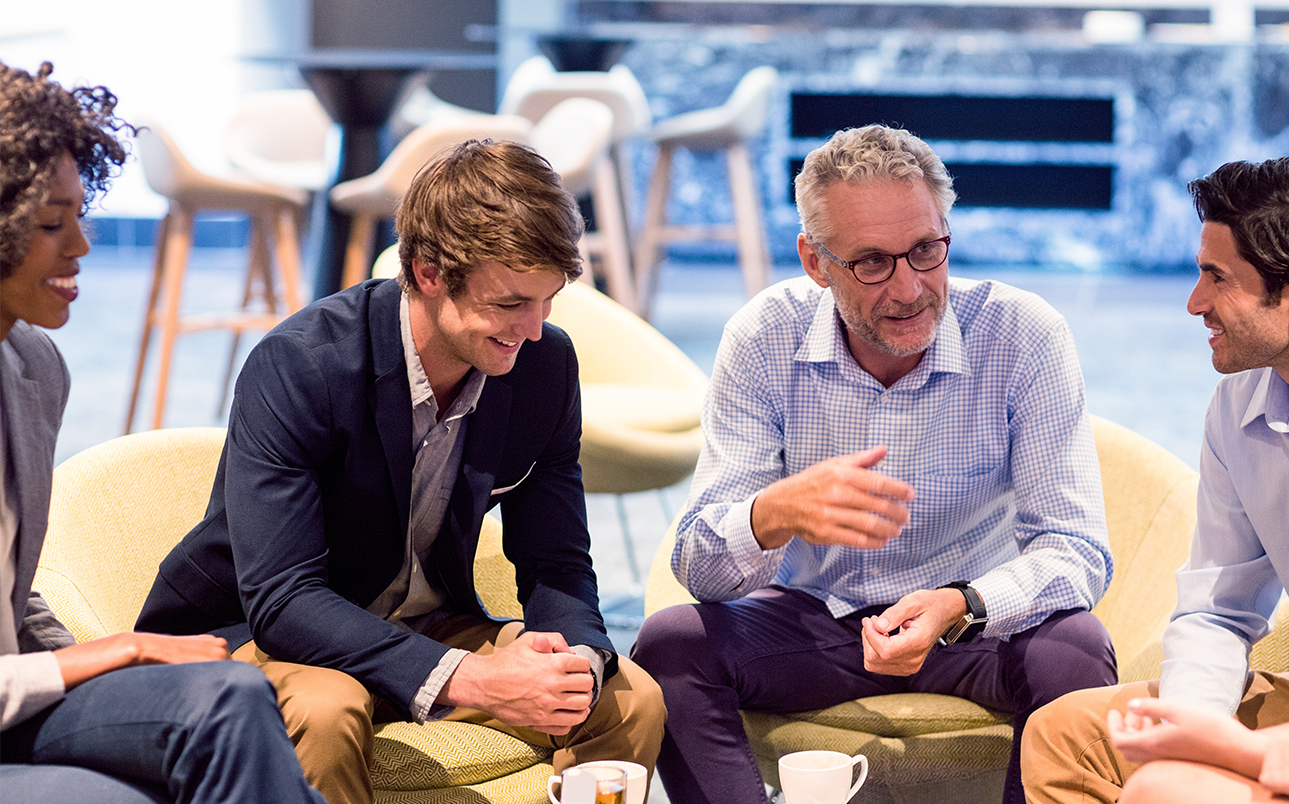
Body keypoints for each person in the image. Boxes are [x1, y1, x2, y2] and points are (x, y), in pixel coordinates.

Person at [135, 138, 665, 804]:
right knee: (326, 710)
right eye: (510, 304)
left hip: (426, 625)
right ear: (429, 272)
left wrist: (578, 663)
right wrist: (471, 677)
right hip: (262, 635)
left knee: (629, 699)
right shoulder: (301, 365)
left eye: (548, 300)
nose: (533, 329)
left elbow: (557, 561)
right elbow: (284, 600)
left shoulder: (544, 366)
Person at [630, 124, 1116, 804]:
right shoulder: (764, 337)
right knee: (670, 644)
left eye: (925, 250)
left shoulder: (1022, 335)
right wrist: (772, 515)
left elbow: (1076, 549)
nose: (910, 288)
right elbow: (699, 568)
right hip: (813, 619)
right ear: (815, 260)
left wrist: (963, 604)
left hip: (968, 623)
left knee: (1077, 650)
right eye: (871, 263)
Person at [1021, 157, 1289, 804]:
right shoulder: (1237, 406)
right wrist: (1195, 730)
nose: (1194, 303)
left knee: (1166, 790)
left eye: (1217, 277)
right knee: (1070, 733)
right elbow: (1216, 606)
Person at [0, 60, 324, 804]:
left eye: (79, 214)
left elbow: (14, 598)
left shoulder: (33, 368)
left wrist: (104, 671)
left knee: (231, 691)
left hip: (21, 693)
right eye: (50, 224)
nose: (81, 246)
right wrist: (112, 653)